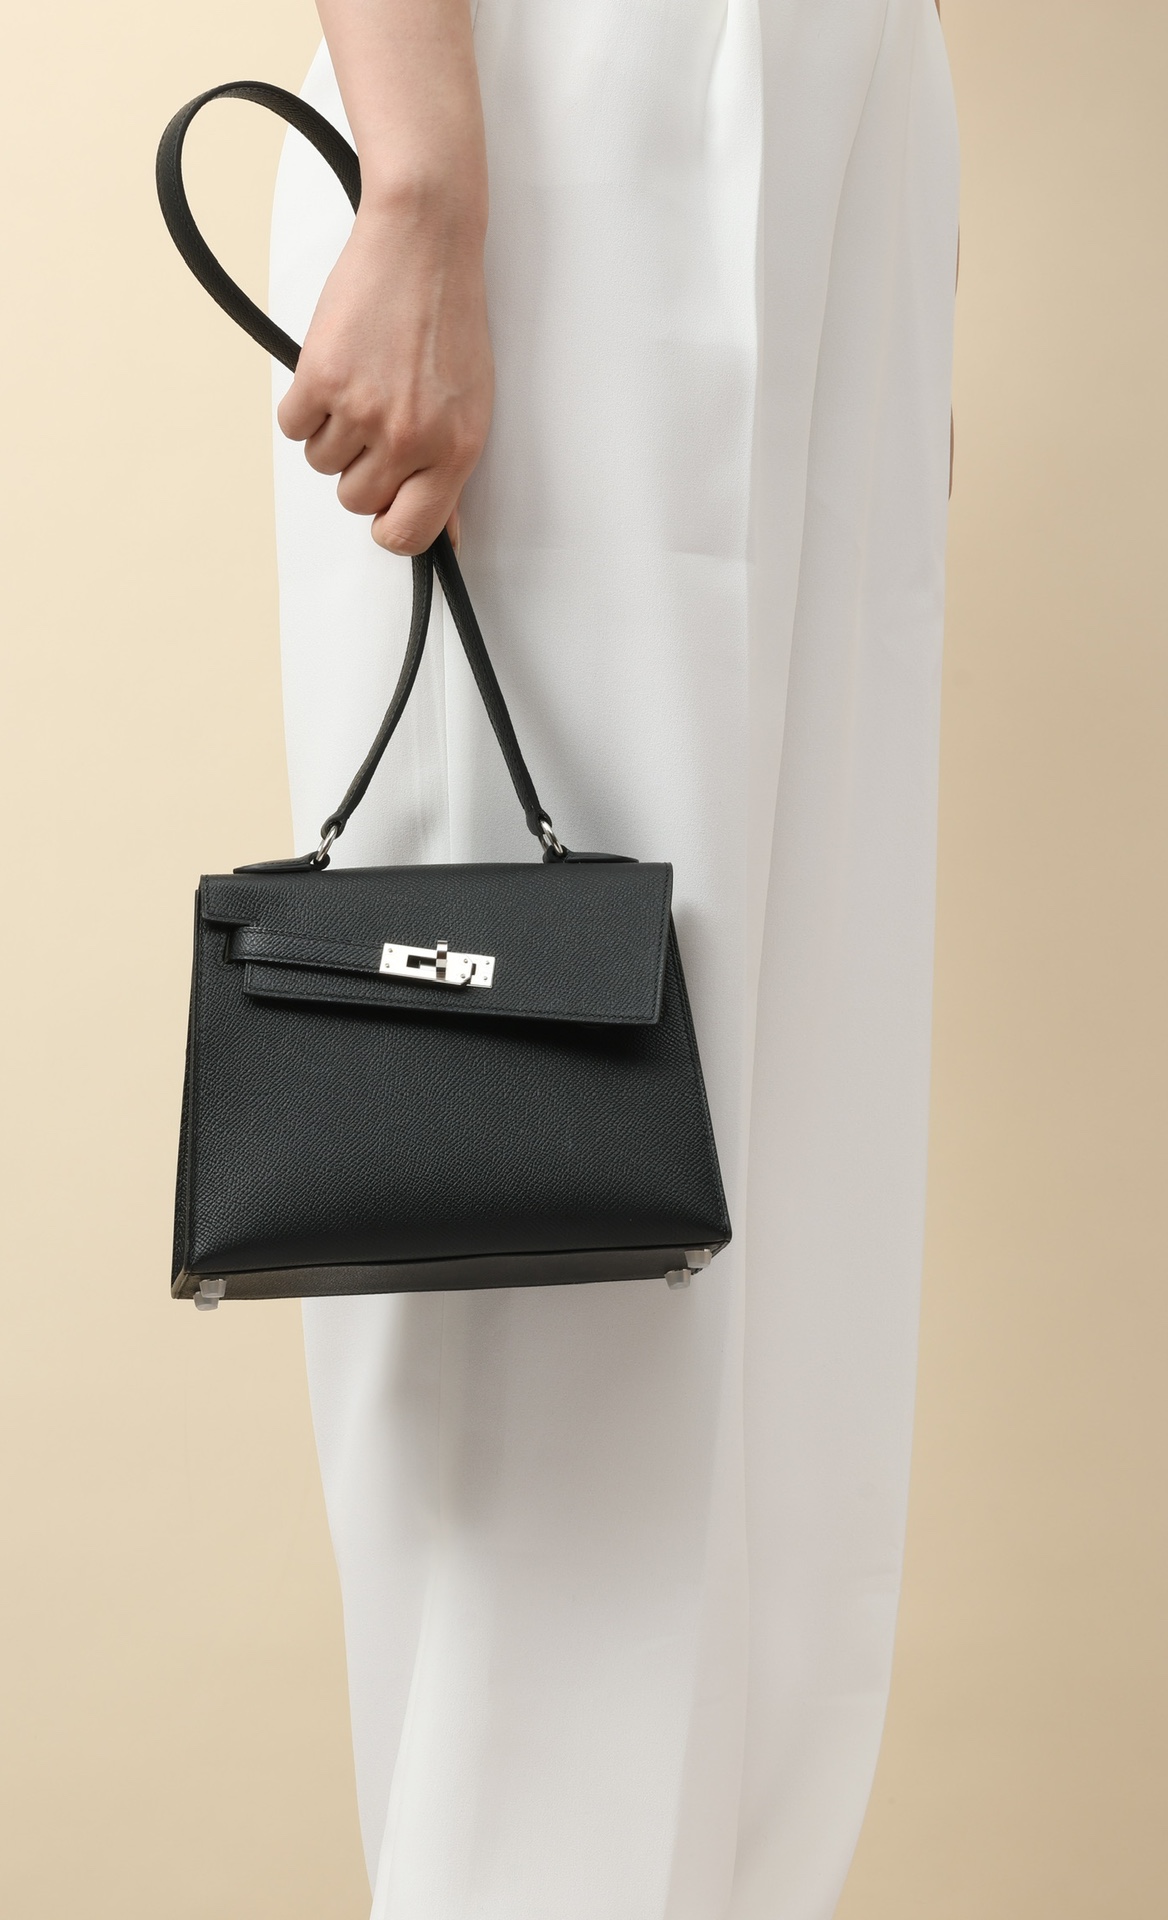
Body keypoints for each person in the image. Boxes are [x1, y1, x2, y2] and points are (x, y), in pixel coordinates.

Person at [268, 2, 958, 1915]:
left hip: (841, 103)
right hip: (551, 113)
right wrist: (423, 183)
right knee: (555, 1232)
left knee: (790, 1271)